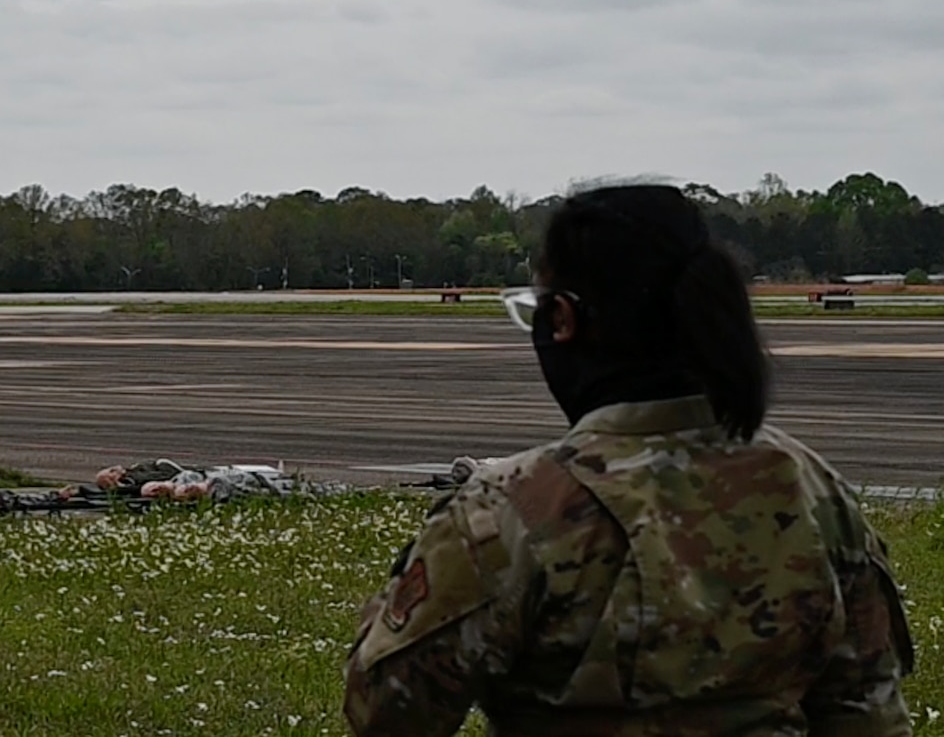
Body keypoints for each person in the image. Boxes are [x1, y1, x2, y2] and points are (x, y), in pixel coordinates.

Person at [345, 184, 913, 736]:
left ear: (563, 320)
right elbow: (866, 712)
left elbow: (388, 711)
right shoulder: (815, 490)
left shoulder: (512, 510)